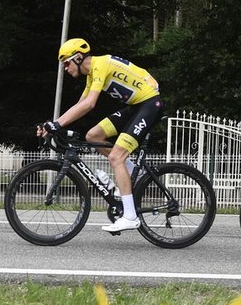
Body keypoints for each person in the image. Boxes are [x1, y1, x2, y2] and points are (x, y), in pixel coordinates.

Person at [39, 37, 162, 233]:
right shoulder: (92, 74)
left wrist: (57, 124)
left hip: (149, 105)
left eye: (67, 63)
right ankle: (133, 174)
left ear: (78, 57)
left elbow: (90, 104)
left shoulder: (100, 64)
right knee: (93, 136)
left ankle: (130, 216)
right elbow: (80, 105)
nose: (65, 68)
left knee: (116, 157)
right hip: (136, 106)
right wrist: (52, 125)